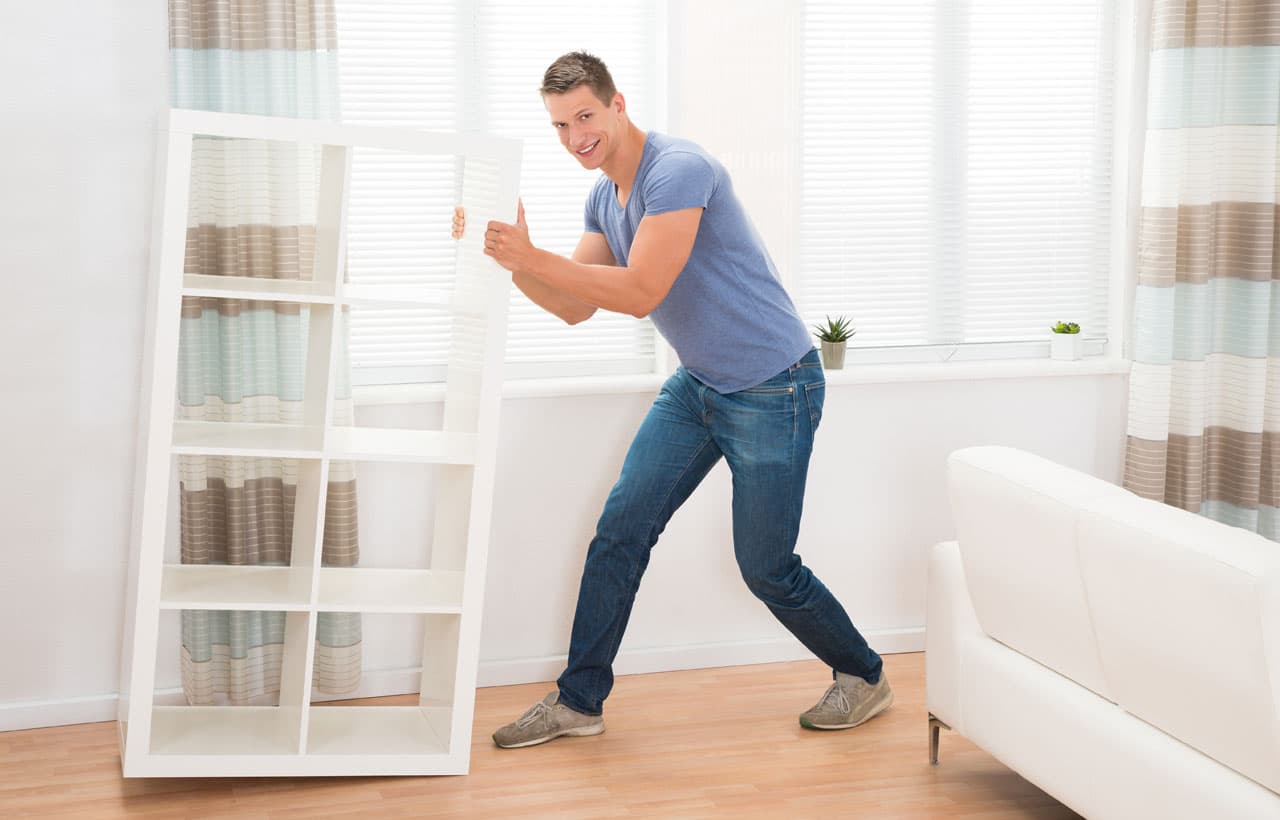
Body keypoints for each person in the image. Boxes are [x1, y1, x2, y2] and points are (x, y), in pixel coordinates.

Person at [454, 51, 891, 749]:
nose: (575, 138)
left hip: (774, 385)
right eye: (561, 126)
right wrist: (509, 260)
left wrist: (531, 256)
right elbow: (572, 306)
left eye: (586, 117)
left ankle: (864, 675)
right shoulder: (603, 196)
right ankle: (579, 702)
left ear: (618, 104)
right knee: (620, 531)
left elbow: (639, 292)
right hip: (701, 385)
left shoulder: (679, 170)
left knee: (766, 567)